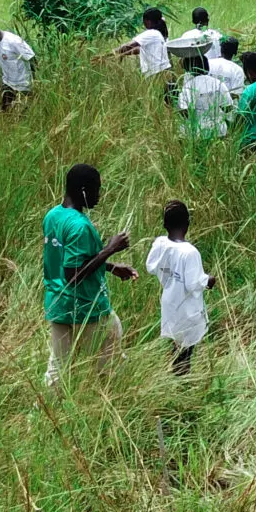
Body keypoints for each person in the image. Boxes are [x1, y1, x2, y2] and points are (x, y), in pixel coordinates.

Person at [42, 163, 135, 385]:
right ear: (83, 190)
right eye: (96, 189)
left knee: (58, 370)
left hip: (58, 305)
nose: (99, 196)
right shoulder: (80, 226)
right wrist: (110, 248)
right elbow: (74, 275)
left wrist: (110, 266)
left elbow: (71, 260)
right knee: (110, 368)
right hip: (87, 308)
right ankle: (114, 408)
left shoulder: (53, 216)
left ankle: (41, 414)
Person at [145, 199, 213, 376]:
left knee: (175, 345)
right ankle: (182, 381)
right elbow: (193, 283)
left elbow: (152, 266)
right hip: (187, 309)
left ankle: (177, 377)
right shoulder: (190, 252)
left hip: (169, 304)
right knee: (186, 351)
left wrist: (170, 274)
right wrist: (208, 281)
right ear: (188, 223)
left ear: (164, 224)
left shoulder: (161, 244)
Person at [104, 7, 171, 79]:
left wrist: (106, 55)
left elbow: (129, 46)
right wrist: (122, 54)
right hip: (164, 71)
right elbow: (140, 49)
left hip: (158, 72)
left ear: (148, 21)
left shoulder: (151, 33)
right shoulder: (160, 35)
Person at [176, 54, 234, 136]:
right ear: (207, 67)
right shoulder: (218, 83)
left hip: (196, 132)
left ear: (190, 69)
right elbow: (228, 108)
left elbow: (183, 111)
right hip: (218, 131)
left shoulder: (188, 86)